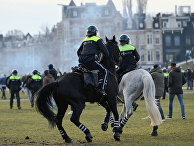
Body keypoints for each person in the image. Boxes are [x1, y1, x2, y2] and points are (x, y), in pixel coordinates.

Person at [77, 25, 109, 96]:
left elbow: (78, 52)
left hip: (81, 60)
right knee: (104, 71)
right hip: (91, 60)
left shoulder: (84, 40)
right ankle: (101, 89)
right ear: (95, 32)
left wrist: (82, 58)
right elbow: (105, 52)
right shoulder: (98, 39)